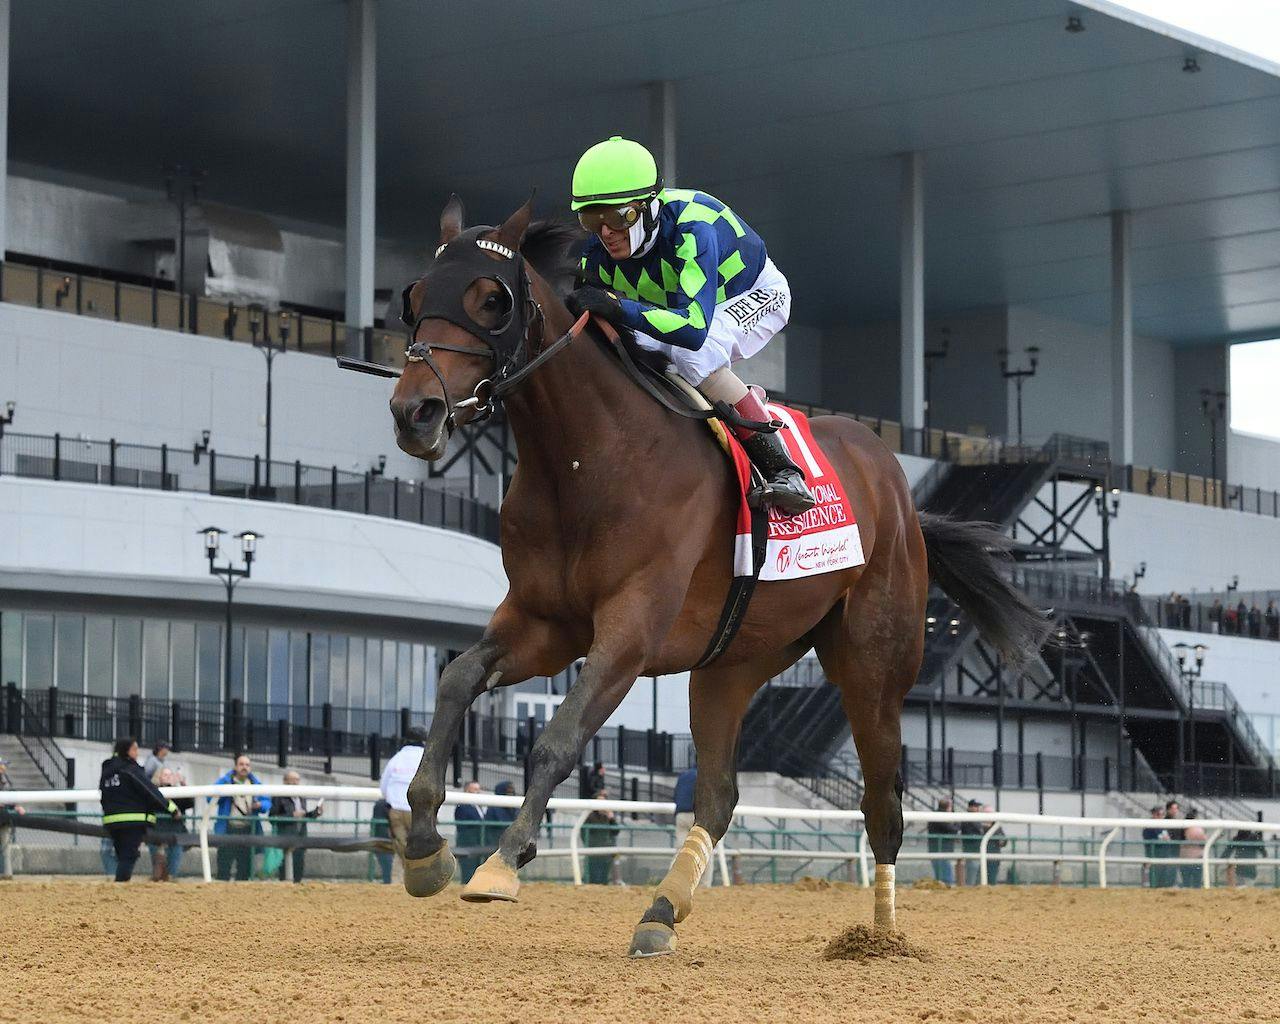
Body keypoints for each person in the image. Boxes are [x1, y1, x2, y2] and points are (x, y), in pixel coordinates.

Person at [568, 135, 815, 515]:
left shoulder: (693, 227)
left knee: (691, 353)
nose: (606, 233)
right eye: (591, 220)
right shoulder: (595, 256)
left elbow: (693, 328)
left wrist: (620, 309)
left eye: (617, 218)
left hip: (753, 295)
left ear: (648, 208)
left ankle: (783, 470)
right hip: (680, 308)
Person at [98, 737, 180, 883]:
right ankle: (119, 887)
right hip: (132, 822)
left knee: (122, 856)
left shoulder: (107, 771)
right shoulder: (130, 769)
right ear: (126, 751)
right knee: (128, 857)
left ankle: (118, 885)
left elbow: (104, 796)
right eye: (134, 749)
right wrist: (172, 809)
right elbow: (150, 791)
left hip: (112, 822)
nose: (137, 752)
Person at [211, 753, 271, 882]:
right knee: (224, 865)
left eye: (247, 765)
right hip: (228, 829)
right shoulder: (225, 781)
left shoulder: (256, 784)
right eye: (241, 764)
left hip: (248, 830)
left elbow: (267, 803)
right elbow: (210, 798)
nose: (244, 767)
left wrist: (260, 805)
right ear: (235, 766)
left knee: (245, 867)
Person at [379, 726, 428, 876]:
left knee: (402, 848)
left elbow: (383, 787)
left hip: (396, 811)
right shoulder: (427, 758)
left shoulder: (397, 758)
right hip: (420, 811)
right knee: (423, 848)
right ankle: (422, 878)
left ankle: (405, 879)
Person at [272, 770, 322, 882]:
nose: (295, 783)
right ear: (285, 781)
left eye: (297, 780)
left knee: (299, 867)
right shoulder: (278, 796)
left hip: (301, 837)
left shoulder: (301, 797)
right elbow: (273, 818)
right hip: (285, 838)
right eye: (292, 780)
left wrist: (316, 812)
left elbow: (304, 815)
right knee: (284, 870)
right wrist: (291, 815)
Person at [146, 766, 192, 881]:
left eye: (170, 775)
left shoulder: (177, 793)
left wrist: (183, 784)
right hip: (156, 832)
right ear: (159, 777)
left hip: (175, 833)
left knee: (173, 867)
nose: (169, 777)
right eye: (165, 775)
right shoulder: (152, 791)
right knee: (157, 868)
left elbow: (189, 803)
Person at [584, 789, 620, 885]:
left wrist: (612, 819)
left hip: (606, 854)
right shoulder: (590, 816)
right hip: (594, 854)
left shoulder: (608, 817)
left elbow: (616, 831)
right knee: (594, 879)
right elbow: (584, 833)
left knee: (604, 880)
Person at [453, 781, 486, 884]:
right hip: (467, 844)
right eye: (475, 789)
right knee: (468, 871)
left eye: (478, 789)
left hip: (479, 844)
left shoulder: (478, 806)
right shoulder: (462, 806)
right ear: (467, 790)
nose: (478, 792)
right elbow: (462, 827)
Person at [0, 757, 27, 879]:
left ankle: (8, 874)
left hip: (3, 818)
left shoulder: (5, 781)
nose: (3, 768)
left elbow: (10, 796)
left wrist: (16, 805)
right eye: (2, 765)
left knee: (6, 847)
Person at [926, 797, 957, 885]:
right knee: (945, 874)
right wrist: (957, 823)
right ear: (948, 807)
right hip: (941, 848)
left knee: (940, 872)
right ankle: (947, 885)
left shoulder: (935, 815)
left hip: (936, 848)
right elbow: (952, 829)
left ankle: (943, 884)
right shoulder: (940, 817)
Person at [484, 780, 518, 853]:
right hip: (496, 846)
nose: (510, 794)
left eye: (512, 792)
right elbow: (489, 831)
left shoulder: (516, 807)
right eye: (508, 792)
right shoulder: (493, 808)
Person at [959, 799, 985, 886]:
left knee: (977, 871)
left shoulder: (976, 819)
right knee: (972, 871)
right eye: (975, 806)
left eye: (977, 806)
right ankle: (969, 888)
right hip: (971, 849)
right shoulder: (967, 819)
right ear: (970, 807)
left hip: (977, 849)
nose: (977, 808)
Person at [1179, 810, 1206, 889]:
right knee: (1196, 882)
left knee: (1186, 881)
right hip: (1196, 857)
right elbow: (1203, 842)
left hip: (1183, 857)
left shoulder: (1183, 828)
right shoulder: (1197, 829)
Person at [1142, 805, 1168, 888]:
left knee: (1162, 884)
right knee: (1152, 884)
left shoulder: (1163, 827)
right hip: (1153, 858)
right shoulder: (1149, 827)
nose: (1161, 817)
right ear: (1153, 814)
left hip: (1163, 859)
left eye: (1162, 815)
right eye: (1158, 814)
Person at [370, 799, 395, 885]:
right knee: (388, 867)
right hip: (385, 841)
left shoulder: (381, 804)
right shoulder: (384, 804)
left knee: (388, 867)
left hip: (382, 841)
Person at [982, 804, 1006, 884]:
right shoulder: (979, 826)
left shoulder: (997, 826)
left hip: (994, 857)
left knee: (992, 879)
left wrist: (1002, 841)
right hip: (982, 857)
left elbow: (1004, 840)